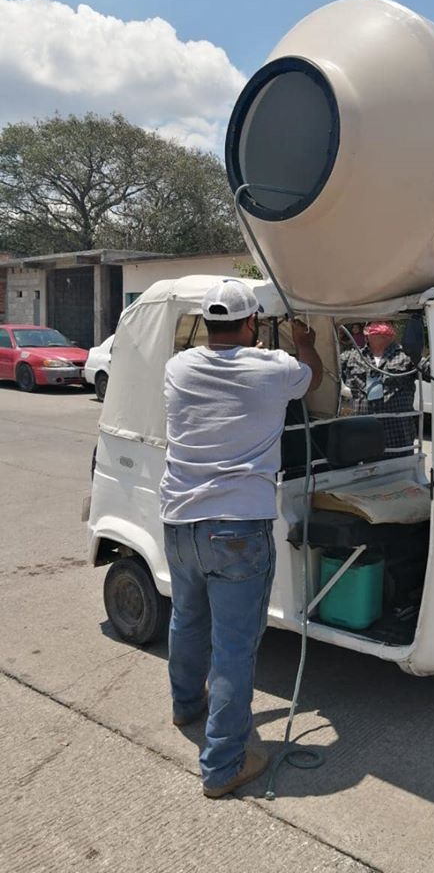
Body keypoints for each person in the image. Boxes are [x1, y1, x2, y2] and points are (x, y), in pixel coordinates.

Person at [159, 279, 322, 799]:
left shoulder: (178, 367)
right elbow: (313, 380)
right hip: (237, 527)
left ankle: (186, 704)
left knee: (187, 619)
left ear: (208, 323)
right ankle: (223, 764)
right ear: (252, 324)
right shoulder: (273, 367)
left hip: (180, 522)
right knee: (233, 647)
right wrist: (303, 340)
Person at [340, 321, 417, 451]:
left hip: (397, 439)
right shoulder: (352, 357)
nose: (380, 327)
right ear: (366, 332)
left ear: (393, 332)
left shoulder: (407, 357)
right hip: (362, 436)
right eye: (374, 323)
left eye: (386, 323)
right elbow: (327, 368)